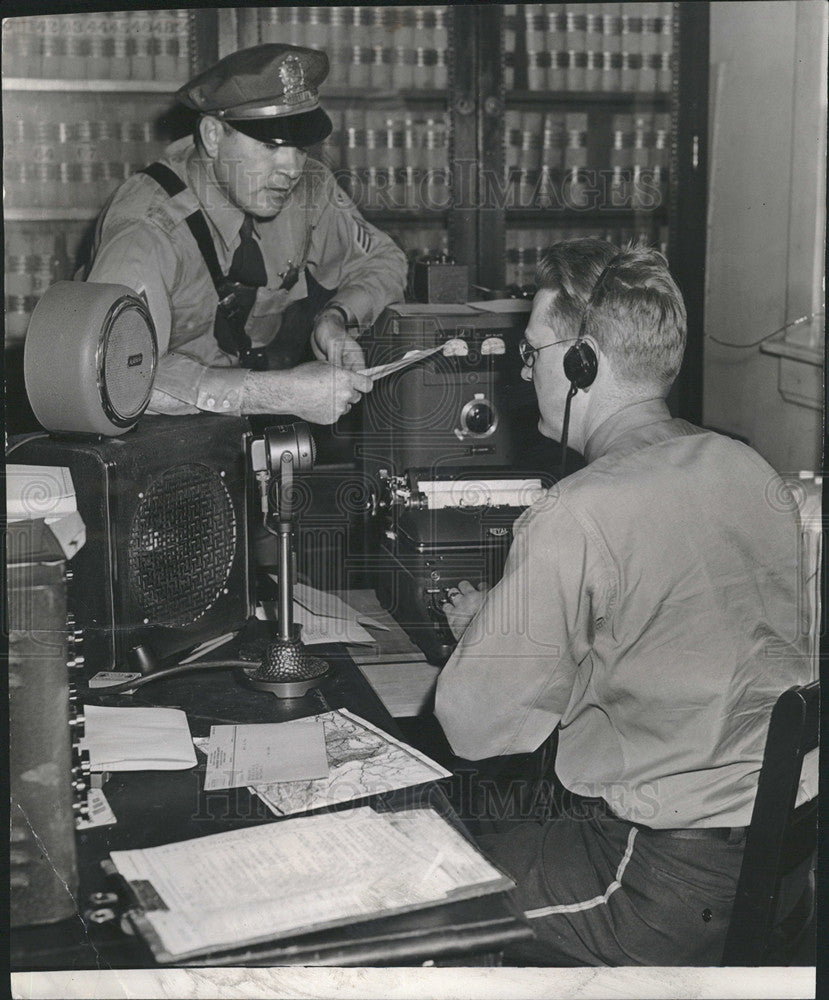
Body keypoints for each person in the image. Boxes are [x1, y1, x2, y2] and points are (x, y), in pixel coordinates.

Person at [433, 239, 810, 965]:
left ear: (583, 363)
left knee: (432, 895)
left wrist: (488, 637)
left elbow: (473, 728)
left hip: (658, 883)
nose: (523, 369)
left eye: (531, 350)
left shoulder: (573, 513)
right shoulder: (747, 467)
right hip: (783, 864)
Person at [82, 44, 408, 425]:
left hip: (243, 431)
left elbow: (386, 261)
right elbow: (116, 378)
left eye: (300, 148)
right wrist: (279, 394)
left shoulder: (308, 191)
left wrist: (334, 319)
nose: (291, 169)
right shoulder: (149, 227)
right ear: (213, 135)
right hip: (148, 437)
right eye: (270, 145)